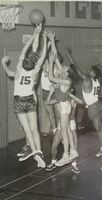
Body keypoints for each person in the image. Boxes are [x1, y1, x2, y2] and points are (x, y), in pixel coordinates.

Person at [1, 24, 47, 168]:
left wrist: (3, 63)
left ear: (23, 61)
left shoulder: (19, 70)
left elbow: (9, 71)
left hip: (19, 101)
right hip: (30, 99)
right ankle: (39, 152)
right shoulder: (35, 72)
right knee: (35, 128)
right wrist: (46, 42)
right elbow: (41, 56)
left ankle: (34, 153)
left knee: (27, 130)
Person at [65, 50, 102, 170]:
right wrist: (100, 67)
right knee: (101, 130)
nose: (88, 71)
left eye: (91, 70)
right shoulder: (98, 80)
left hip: (94, 108)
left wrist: (69, 56)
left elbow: (77, 69)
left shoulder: (87, 80)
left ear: (92, 73)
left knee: (100, 133)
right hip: (100, 107)